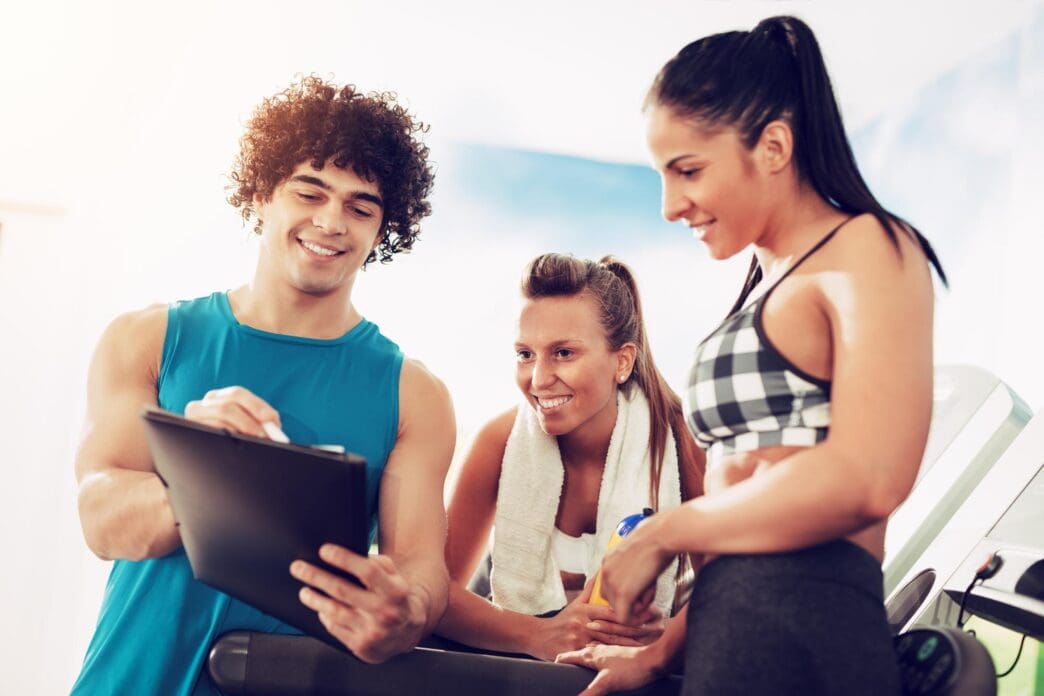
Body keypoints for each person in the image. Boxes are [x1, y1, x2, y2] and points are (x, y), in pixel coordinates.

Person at [557, 15, 946, 696]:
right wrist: (658, 655)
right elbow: (741, 510)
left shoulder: (866, 249)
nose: (670, 205)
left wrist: (662, 534)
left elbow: (871, 476)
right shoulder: (766, 285)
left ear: (772, 147)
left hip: (806, 624)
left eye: (688, 171)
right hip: (732, 628)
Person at [72, 76, 455, 694]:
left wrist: (403, 613)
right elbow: (101, 519)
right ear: (259, 196)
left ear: (383, 230)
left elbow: (422, 575)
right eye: (310, 192)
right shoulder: (146, 339)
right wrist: (202, 471)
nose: (331, 221)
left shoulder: (416, 395)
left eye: (361, 207)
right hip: (131, 679)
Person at [435, 253, 704, 661]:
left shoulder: (681, 438)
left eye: (563, 353)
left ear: (623, 361)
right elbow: (432, 594)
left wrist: (665, 639)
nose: (539, 379)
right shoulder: (498, 441)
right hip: (517, 654)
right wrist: (536, 635)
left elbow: (729, 590)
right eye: (525, 354)